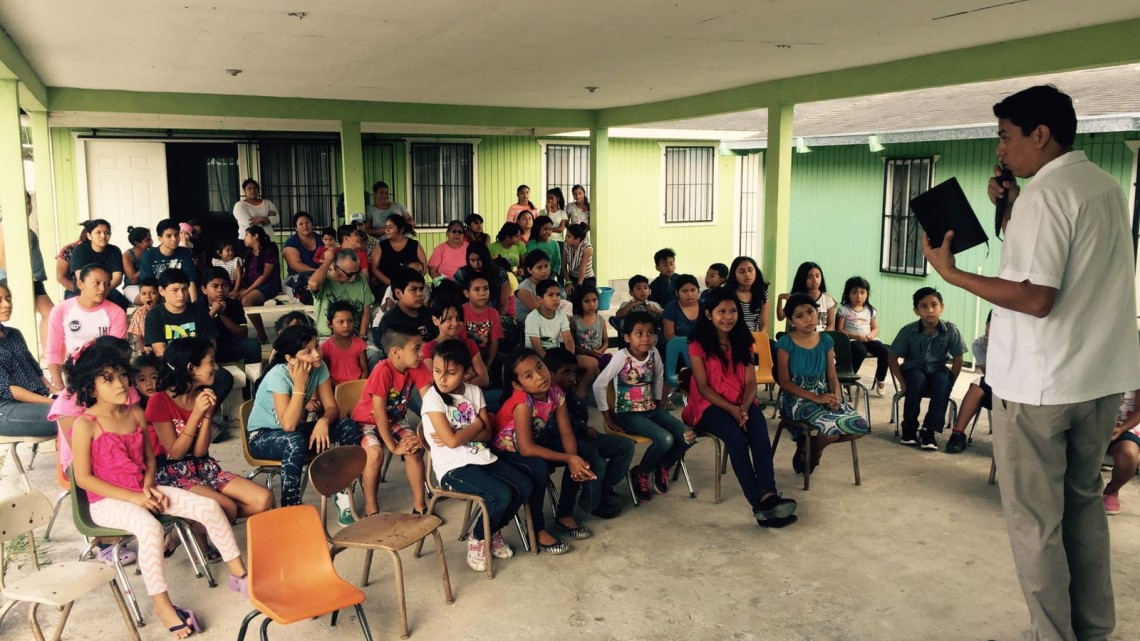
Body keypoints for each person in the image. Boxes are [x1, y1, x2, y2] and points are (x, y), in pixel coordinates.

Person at [921, 85, 1140, 641]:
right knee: (1083, 506)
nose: (1000, 150)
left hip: (1042, 386)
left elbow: (1037, 297)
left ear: (1040, 135)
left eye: (1005, 137)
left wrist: (951, 275)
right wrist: (1010, 205)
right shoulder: (1105, 187)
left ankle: (1052, 634)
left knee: (1036, 523)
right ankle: (1092, 630)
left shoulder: (1047, 196)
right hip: (1098, 378)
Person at [67, 339, 248, 637]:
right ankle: (163, 605)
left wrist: (148, 486)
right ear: (90, 385)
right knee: (150, 529)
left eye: (122, 375)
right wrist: (134, 497)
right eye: (108, 379)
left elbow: (150, 460)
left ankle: (240, 574)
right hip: (107, 502)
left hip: (146, 491)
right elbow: (84, 478)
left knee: (208, 506)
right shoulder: (85, 425)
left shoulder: (136, 413)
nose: (120, 384)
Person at [682, 287, 797, 527]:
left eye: (733, 311)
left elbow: (750, 382)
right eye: (721, 311)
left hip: (742, 401)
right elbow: (702, 387)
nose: (728, 316)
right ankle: (760, 503)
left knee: (760, 434)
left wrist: (743, 407)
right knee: (736, 438)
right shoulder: (697, 344)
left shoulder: (744, 340)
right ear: (708, 315)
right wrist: (733, 410)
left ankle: (768, 496)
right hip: (708, 405)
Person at [421, 339, 530, 571]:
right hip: (453, 468)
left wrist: (463, 433)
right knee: (500, 495)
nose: (442, 378)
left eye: (451, 372)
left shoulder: (474, 391)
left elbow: (487, 432)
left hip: (481, 457)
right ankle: (478, 538)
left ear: (466, 372)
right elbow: (451, 442)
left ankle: (493, 531)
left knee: (524, 486)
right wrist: (474, 426)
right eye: (437, 371)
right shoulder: (433, 398)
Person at [146, 338, 273, 526]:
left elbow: (199, 452)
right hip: (169, 472)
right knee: (226, 507)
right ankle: (203, 535)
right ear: (191, 368)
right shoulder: (159, 401)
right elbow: (176, 453)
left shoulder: (203, 395)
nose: (216, 368)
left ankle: (195, 527)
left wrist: (206, 415)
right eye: (211, 362)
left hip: (201, 466)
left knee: (263, 499)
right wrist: (197, 414)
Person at [247, 325, 361, 507]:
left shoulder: (319, 367)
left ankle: (343, 494)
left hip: (295, 433)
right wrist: (300, 386)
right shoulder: (278, 375)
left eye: (317, 346)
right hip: (262, 437)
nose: (316, 354)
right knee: (293, 439)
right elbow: (289, 426)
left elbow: (332, 407)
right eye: (307, 352)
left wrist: (323, 421)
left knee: (347, 425)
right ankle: (290, 505)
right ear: (290, 359)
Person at [495, 349, 596, 554]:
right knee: (538, 468)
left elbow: (566, 431)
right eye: (528, 375)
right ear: (517, 384)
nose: (540, 377)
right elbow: (526, 448)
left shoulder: (556, 392)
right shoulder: (522, 402)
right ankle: (538, 529)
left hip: (532, 445)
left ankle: (564, 514)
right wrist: (568, 457)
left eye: (540, 367)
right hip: (508, 454)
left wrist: (573, 459)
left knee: (580, 454)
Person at [594, 311, 689, 503]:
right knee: (666, 439)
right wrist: (607, 416)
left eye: (650, 333)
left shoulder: (654, 353)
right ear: (627, 336)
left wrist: (658, 400)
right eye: (639, 333)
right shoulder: (622, 356)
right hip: (628, 414)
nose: (646, 338)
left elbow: (659, 376)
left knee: (688, 436)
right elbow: (599, 384)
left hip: (651, 409)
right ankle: (642, 472)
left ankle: (663, 465)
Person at [776, 294, 869, 472]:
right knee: (832, 432)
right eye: (799, 316)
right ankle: (814, 453)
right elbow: (784, 382)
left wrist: (836, 397)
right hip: (797, 398)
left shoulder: (826, 340)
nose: (807, 318)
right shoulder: (785, 343)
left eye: (810, 312)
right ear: (791, 321)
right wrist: (815, 398)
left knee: (858, 428)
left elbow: (832, 377)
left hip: (824, 394)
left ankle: (810, 447)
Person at [350, 325, 432, 520]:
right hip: (366, 421)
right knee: (375, 452)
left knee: (413, 447)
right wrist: (394, 447)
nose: (422, 353)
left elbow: (429, 404)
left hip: (394, 419)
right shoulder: (382, 370)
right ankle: (372, 507)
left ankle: (420, 506)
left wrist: (422, 435)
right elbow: (378, 414)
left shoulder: (417, 367)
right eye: (416, 348)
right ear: (396, 352)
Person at [545, 348, 631, 519]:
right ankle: (591, 504)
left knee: (625, 445)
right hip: (556, 443)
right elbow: (557, 427)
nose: (572, 377)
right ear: (551, 374)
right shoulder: (546, 394)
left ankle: (604, 488)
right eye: (566, 373)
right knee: (594, 459)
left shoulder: (571, 390)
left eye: (574, 373)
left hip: (580, 437)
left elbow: (581, 418)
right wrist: (583, 429)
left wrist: (580, 394)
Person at [143, 269, 235, 410]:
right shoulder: (154, 316)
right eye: (175, 290)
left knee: (223, 378)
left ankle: (203, 416)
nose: (181, 295)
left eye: (184, 289)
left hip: (199, 366)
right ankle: (179, 416)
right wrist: (186, 370)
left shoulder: (199, 312)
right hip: (171, 367)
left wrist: (197, 368)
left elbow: (211, 345)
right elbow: (161, 352)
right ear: (162, 291)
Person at [887, 287, 966, 450]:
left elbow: (958, 359)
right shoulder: (908, 331)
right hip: (914, 370)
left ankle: (928, 430)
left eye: (934, 305)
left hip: (938, 369)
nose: (930, 310)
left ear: (942, 307)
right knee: (917, 378)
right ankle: (908, 429)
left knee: (943, 380)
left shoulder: (951, 330)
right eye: (923, 306)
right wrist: (901, 382)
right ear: (916, 311)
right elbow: (892, 357)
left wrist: (951, 381)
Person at [46, 264, 128, 392]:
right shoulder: (61, 310)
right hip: (72, 376)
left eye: (107, 284)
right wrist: (59, 385)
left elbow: (116, 354)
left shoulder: (117, 313)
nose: (102, 289)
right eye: (96, 283)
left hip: (105, 379)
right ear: (80, 284)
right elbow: (53, 350)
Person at [0, 282, 61, 441]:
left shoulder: (13, 334)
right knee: (68, 415)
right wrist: (50, 402)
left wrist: (56, 393)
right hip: (6, 409)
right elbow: (9, 390)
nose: (6, 304)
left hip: (34, 400)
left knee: (85, 406)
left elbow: (34, 370)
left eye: (8, 298)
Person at [199, 268, 261, 382]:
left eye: (225, 286)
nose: (220, 290)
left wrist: (222, 315)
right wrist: (213, 312)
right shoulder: (197, 306)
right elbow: (198, 333)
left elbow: (243, 333)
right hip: (206, 351)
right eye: (215, 286)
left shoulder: (234, 304)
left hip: (228, 346)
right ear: (204, 289)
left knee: (252, 345)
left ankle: (253, 385)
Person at [945, 312, 992, 454]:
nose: (991, 332)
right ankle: (958, 434)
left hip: (1020, 392)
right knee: (977, 385)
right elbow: (990, 374)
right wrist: (994, 348)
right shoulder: (979, 344)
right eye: (989, 327)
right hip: (996, 387)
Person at [835, 276, 889, 396]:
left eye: (862, 292)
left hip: (868, 339)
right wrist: (855, 336)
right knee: (860, 351)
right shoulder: (844, 310)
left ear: (867, 294)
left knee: (884, 351)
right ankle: (848, 377)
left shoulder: (870, 310)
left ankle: (881, 379)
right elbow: (840, 329)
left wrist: (870, 335)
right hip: (852, 340)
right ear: (848, 294)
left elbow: (875, 328)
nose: (859, 296)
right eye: (854, 293)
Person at [422, 297, 491, 389]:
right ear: (435, 320)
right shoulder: (428, 348)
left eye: (458, 318)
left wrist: (455, 383)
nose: (455, 323)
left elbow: (484, 380)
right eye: (449, 318)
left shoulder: (469, 344)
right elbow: (435, 384)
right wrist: (466, 379)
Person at [308, 248, 373, 341]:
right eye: (350, 274)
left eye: (357, 272)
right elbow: (314, 284)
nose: (354, 277)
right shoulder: (324, 279)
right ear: (335, 268)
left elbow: (366, 310)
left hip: (353, 337)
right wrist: (327, 262)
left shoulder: (361, 279)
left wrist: (362, 336)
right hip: (327, 337)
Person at [68, 219, 129, 309]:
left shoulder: (114, 250)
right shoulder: (80, 250)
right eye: (98, 232)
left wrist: (103, 290)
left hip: (107, 289)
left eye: (107, 233)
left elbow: (117, 278)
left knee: (121, 303)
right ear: (89, 236)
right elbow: (81, 277)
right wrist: (96, 292)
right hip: (83, 290)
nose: (103, 236)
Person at [235, 225, 281, 343]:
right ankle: (238, 333)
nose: (244, 238)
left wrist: (247, 291)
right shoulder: (250, 253)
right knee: (233, 298)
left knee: (246, 300)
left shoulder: (269, 250)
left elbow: (264, 276)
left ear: (255, 236)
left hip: (268, 284)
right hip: (251, 285)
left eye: (246, 235)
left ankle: (261, 334)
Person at [374, 267, 436, 346]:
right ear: (398, 293)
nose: (420, 294)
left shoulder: (428, 314)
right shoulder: (389, 320)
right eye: (413, 289)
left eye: (421, 289)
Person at [140, 220, 199, 302]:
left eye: (176, 235)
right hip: (159, 298)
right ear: (160, 239)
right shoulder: (148, 255)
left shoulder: (184, 252)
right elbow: (148, 285)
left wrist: (194, 304)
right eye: (168, 236)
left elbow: (191, 280)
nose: (174, 239)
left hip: (181, 296)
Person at [1104, 389, 1140, 515]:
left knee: (1128, 455)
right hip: (1093, 423)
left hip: (1126, 425)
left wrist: (1122, 428)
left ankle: (1111, 490)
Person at [460, 274, 504, 378]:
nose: (482, 293)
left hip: (488, 356)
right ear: (467, 293)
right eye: (477, 289)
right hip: (467, 357)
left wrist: (487, 365)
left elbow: (494, 341)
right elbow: (462, 342)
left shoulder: (493, 313)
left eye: (486, 289)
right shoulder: (460, 312)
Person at [371, 213, 427, 288]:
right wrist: (391, 284)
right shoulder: (381, 246)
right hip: (386, 286)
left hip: (411, 286)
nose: (386, 230)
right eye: (386, 227)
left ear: (401, 229)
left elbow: (424, 267)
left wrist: (413, 283)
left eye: (390, 227)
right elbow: (374, 268)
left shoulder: (414, 245)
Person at [454, 242, 511, 315]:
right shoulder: (462, 273)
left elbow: (504, 305)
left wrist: (493, 319)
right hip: (468, 316)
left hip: (495, 315)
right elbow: (456, 301)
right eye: (472, 260)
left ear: (486, 258)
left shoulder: (499, 273)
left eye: (479, 259)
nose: (476, 264)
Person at [777, 261, 835, 332]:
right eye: (809, 277)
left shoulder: (827, 299)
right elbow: (780, 317)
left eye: (817, 276)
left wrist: (823, 336)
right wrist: (780, 298)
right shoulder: (796, 298)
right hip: (799, 338)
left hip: (821, 339)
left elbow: (831, 324)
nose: (815, 280)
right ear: (802, 278)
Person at [320, 301, 367, 388]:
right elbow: (325, 374)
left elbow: (364, 370)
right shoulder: (325, 347)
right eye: (341, 322)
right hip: (336, 389)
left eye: (350, 321)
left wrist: (359, 386)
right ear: (330, 324)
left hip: (358, 387)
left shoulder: (360, 344)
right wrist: (340, 388)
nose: (346, 325)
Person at [282, 212, 321, 304]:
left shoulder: (322, 239)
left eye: (307, 222)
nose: (305, 226)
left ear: (312, 224)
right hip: (296, 279)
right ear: (296, 228)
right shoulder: (291, 242)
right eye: (301, 224)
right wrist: (319, 272)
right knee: (305, 298)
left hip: (321, 277)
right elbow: (296, 266)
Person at [571, 284, 611, 372]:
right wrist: (588, 353)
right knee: (592, 365)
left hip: (599, 354)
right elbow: (572, 344)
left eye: (594, 300)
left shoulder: (601, 320)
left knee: (613, 363)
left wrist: (600, 351)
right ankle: (582, 386)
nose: (591, 304)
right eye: (587, 301)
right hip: (582, 355)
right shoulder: (575, 320)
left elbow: (606, 342)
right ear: (579, 302)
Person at [726, 256, 769, 333]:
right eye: (742, 271)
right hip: (733, 336)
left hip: (755, 337)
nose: (747, 274)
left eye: (750, 270)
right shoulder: (727, 294)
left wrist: (758, 339)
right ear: (734, 274)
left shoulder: (762, 293)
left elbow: (764, 325)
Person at [514, 250, 553, 324]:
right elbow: (541, 313)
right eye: (539, 268)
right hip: (525, 326)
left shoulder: (546, 284)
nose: (544, 271)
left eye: (546, 266)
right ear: (529, 270)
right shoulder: (523, 290)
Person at [55, 224, 91, 296]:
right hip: (75, 289)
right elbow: (60, 277)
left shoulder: (106, 249)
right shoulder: (69, 249)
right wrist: (79, 290)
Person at [662, 274, 701, 341]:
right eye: (684, 291)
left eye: (693, 290)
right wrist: (691, 344)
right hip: (679, 347)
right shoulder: (671, 308)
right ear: (677, 293)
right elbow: (669, 336)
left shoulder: (705, 307)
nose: (690, 294)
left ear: (698, 290)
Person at [128, 278, 160, 355]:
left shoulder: (164, 310)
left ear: (160, 294)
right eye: (144, 294)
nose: (148, 297)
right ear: (139, 297)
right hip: (149, 351)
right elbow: (139, 338)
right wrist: (143, 353)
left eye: (153, 293)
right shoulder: (139, 313)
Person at [121, 226, 153, 303]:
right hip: (132, 287)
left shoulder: (153, 251)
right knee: (144, 300)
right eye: (148, 240)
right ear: (137, 243)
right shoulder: (127, 255)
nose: (152, 242)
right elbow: (133, 280)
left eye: (151, 239)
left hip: (151, 285)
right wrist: (146, 264)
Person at [525, 216, 561, 281]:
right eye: (545, 229)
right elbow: (529, 263)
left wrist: (551, 277)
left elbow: (557, 263)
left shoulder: (554, 244)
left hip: (549, 278)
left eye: (550, 229)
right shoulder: (531, 244)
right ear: (537, 228)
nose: (548, 232)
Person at [562, 223, 594, 296]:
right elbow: (564, 266)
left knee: (581, 296)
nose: (566, 238)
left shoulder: (587, 248)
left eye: (568, 236)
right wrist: (568, 282)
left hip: (587, 279)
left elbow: (583, 268)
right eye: (566, 235)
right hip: (572, 278)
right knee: (568, 295)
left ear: (577, 239)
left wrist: (578, 286)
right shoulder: (566, 245)